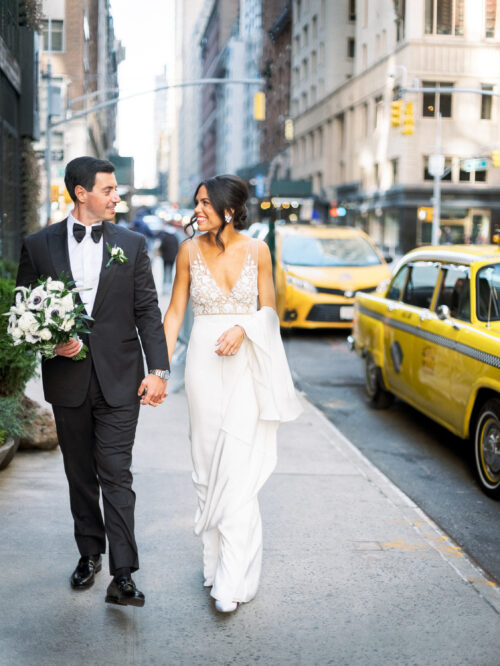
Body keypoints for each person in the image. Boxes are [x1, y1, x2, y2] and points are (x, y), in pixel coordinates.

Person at [16, 156, 170, 607]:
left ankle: (123, 574)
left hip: (122, 380)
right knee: (80, 474)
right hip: (68, 381)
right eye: (108, 190)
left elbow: (147, 311)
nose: (116, 197)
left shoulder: (133, 243)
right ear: (81, 193)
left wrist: (158, 370)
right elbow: (25, 315)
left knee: (116, 474)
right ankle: (89, 553)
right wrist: (52, 345)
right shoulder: (39, 245)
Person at [163, 174, 301, 613]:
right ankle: (214, 563)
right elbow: (174, 314)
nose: (197, 210)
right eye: (196, 203)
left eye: (205, 203)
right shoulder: (187, 252)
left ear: (228, 209)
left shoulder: (259, 251)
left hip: (245, 366)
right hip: (204, 366)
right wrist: (157, 370)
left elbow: (269, 312)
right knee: (206, 464)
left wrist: (244, 327)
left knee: (237, 468)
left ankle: (233, 578)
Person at [159, 223, 179, 292]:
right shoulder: (175, 238)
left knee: (165, 271)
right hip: (172, 257)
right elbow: (177, 247)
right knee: (170, 271)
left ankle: (164, 286)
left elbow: (162, 247)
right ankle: (170, 286)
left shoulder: (164, 237)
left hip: (165, 257)